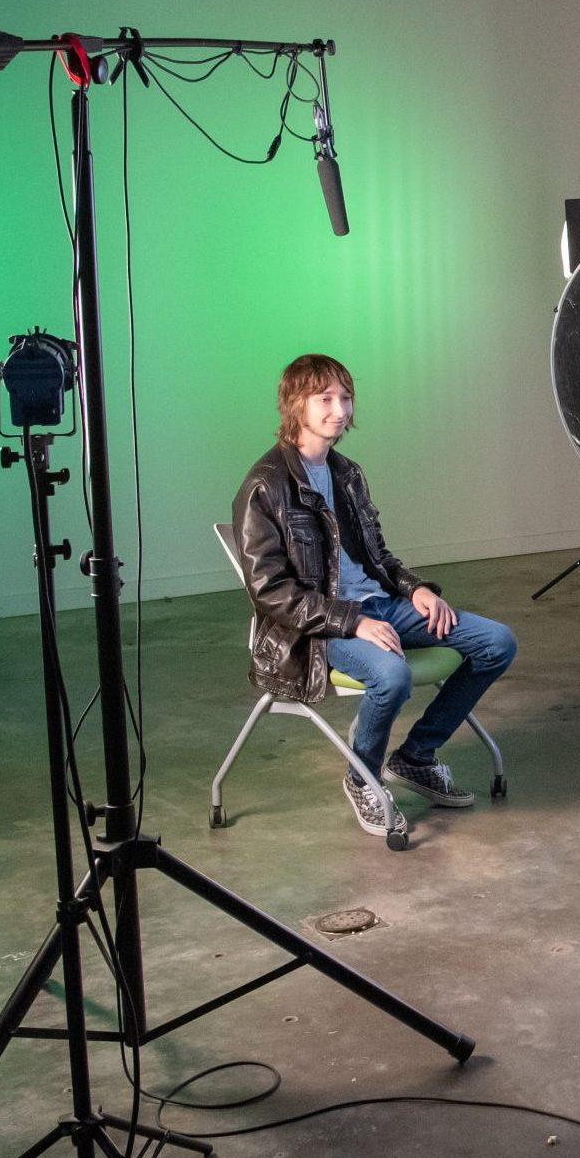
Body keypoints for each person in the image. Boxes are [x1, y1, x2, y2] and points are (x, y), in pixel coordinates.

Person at [233, 353, 517, 843]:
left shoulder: (347, 473)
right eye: (325, 399)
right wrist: (351, 621)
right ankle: (362, 775)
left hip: (380, 605)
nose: (339, 410)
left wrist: (417, 589)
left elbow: (377, 556)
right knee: (391, 673)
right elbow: (269, 591)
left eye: (345, 397)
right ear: (294, 405)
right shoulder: (266, 485)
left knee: (496, 642)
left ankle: (414, 758)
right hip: (317, 628)